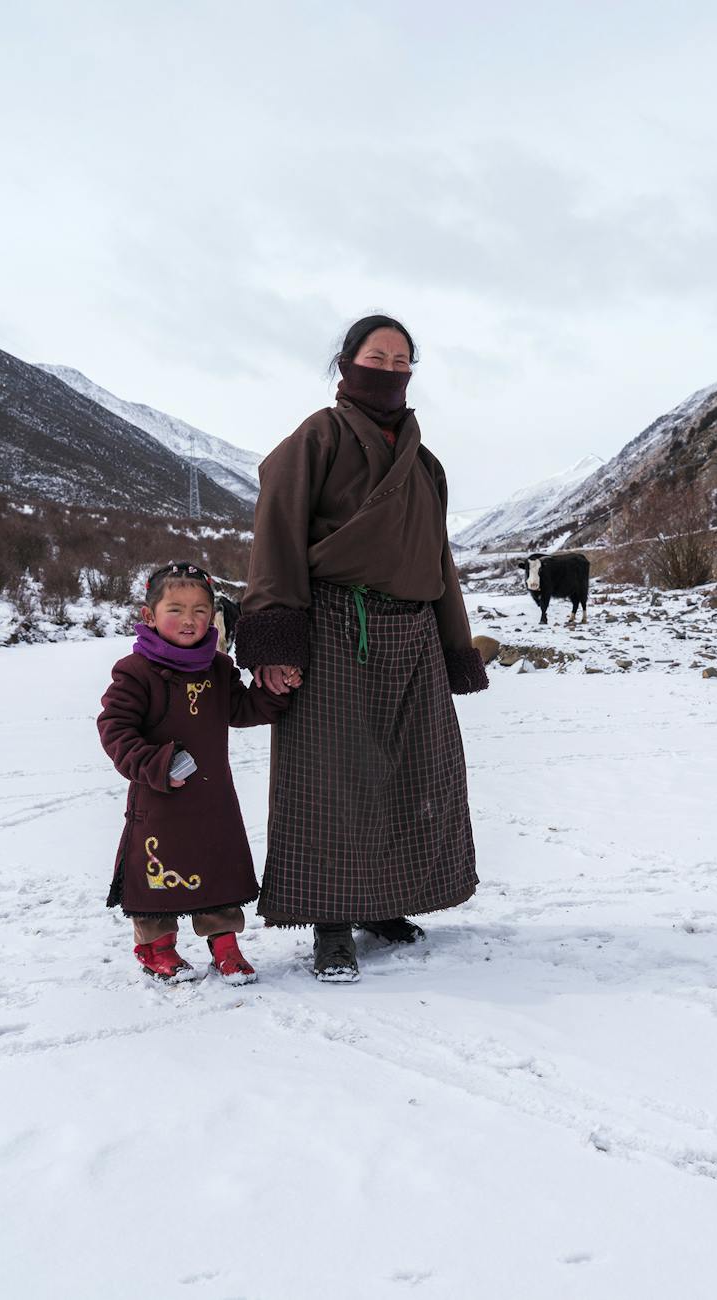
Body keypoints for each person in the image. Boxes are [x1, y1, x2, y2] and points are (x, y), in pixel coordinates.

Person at [235, 314, 489, 983]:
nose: (391, 367)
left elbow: (439, 560)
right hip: (330, 626)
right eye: (377, 355)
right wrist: (274, 641)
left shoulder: (425, 464)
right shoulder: (315, 438)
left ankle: (384, 904)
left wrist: (453, 646)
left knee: (412, 774)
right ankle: (330, 923)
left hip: (411, 635)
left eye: (403, 360)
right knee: (330, 781)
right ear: (346, 364)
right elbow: (276, 536)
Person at [97, 561, 293, 984]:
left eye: (200, 610)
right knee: (154, 881)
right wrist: (155, 764)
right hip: (159, 800)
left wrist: (275, 690)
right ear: (150, 616)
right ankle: (156, 948)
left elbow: (241, 709)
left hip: (212, 800)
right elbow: (114, 729)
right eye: (176, 609)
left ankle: (226, 947)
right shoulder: (134, 673)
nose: (189, 619)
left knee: (217, 868)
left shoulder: (218, 668)